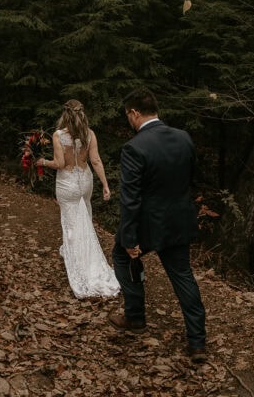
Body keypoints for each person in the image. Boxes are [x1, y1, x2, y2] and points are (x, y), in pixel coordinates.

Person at [108, 88, 207, 364]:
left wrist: (128, 238)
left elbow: (130, 199)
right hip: (178, 220)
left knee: (121, 256)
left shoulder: (134, 147)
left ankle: (135, 316)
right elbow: (191, 177)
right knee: (182, 276)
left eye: (128, 115)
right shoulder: (184, 137)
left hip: (148, 225)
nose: (128, 120)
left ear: (135, 113)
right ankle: (197, 343)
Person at [36, 99, 120, 299]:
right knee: (85, 219)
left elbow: (60, 163)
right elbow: (96, 160)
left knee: (72, 224)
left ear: (65, 115)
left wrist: (42, 162)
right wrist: (106, 185)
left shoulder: (58, 135)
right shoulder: (89, 134)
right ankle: (82, 255)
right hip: (85, 181)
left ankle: (80, 264)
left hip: (67, 184)